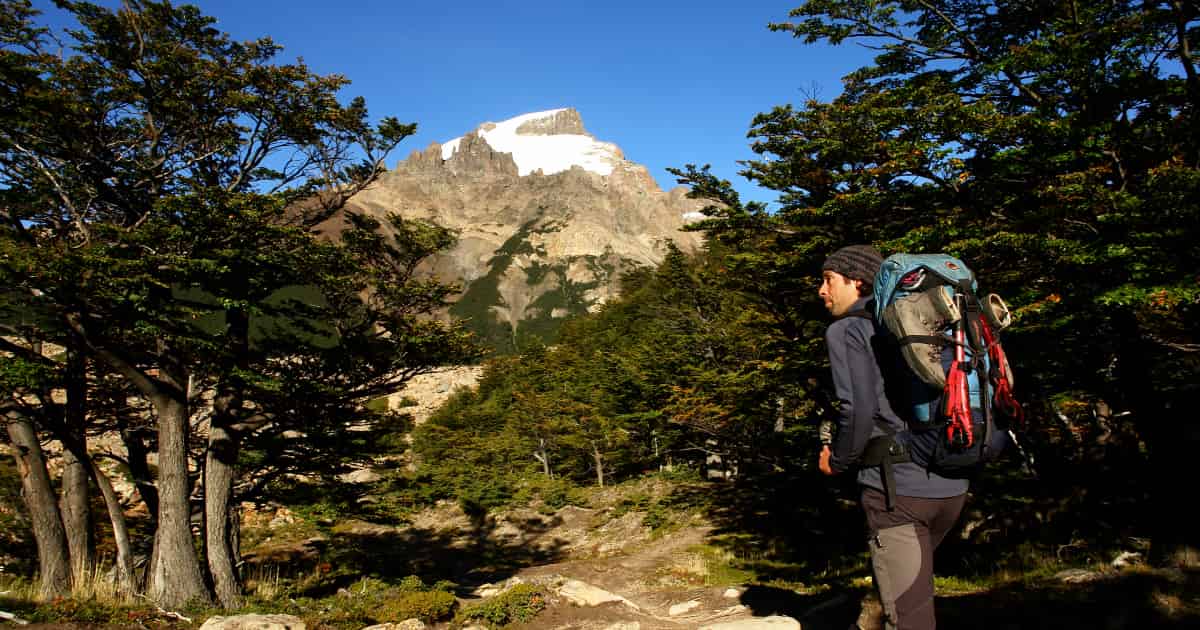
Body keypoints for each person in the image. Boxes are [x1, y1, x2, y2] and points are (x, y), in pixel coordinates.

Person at [816, 245, 968, 630]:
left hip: (897, 492)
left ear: (858, 282)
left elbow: (859, 409)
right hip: (951, 482)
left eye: (829, 280)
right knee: (907, 597)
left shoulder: (848, 329)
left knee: (911, 618)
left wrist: (836, 459)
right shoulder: (913, 324)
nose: (821, 290)